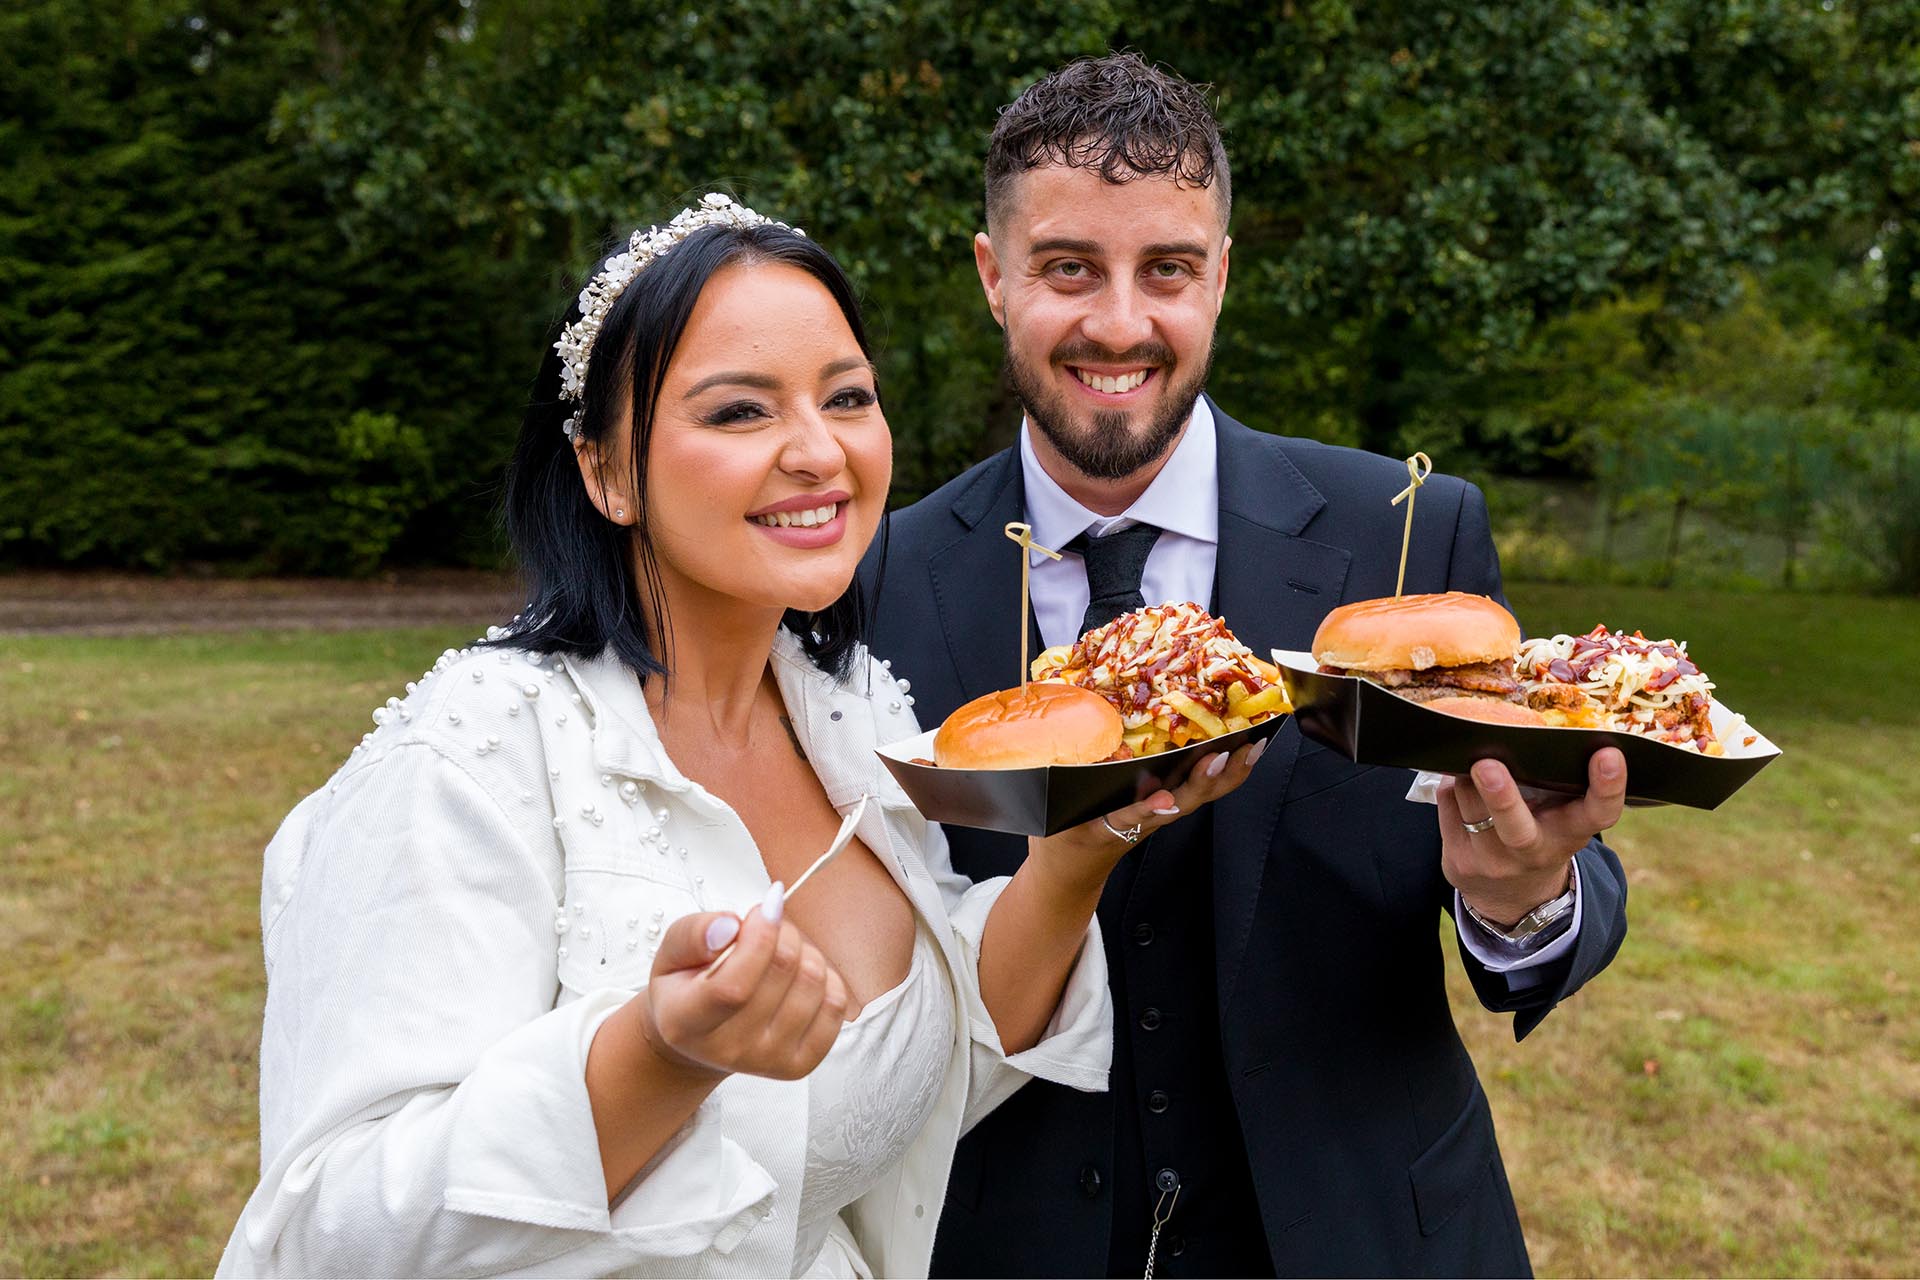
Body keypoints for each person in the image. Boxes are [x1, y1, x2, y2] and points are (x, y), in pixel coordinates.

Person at [216, 194, 1260, 1278]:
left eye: (847, 396)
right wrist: (662, 1053)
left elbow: (926, 1064)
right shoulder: (466, 757)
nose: (818, 451)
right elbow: (327, 1226)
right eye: (738, 412)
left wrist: (1085, 842)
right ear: (605, 470)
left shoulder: (855, 713)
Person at [861, 55, 1631, 1276]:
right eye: (1069, 267)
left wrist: (1519, 895)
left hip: (1366, 1235)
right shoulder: (876, 577)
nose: (1120, 322)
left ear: (1220, 275)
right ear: (992, 276)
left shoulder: (1406, 533)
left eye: (1166, 268)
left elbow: (1535, 843)